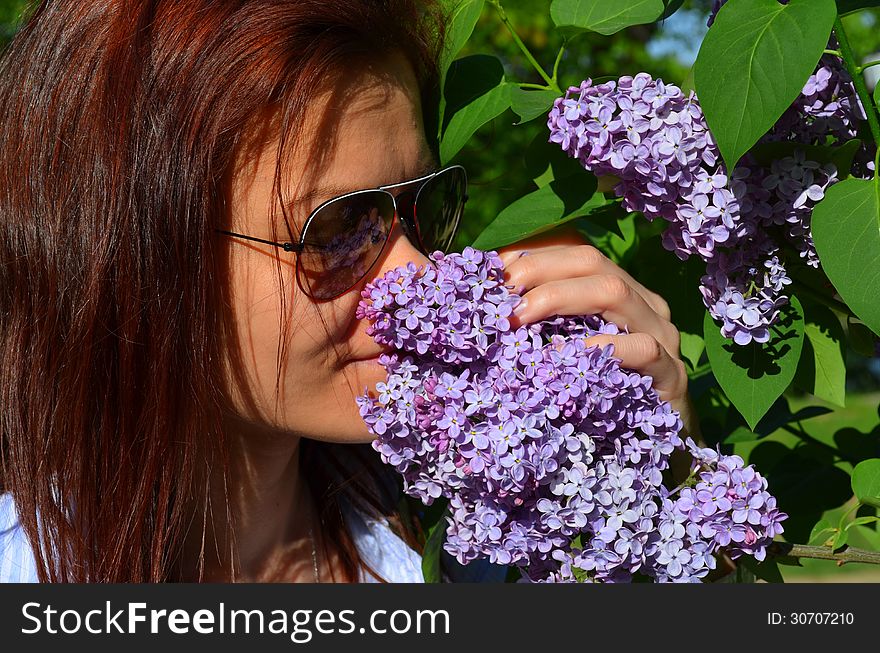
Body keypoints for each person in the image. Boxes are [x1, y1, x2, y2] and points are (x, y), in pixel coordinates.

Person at [0, 0, 698, 583]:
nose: (419, 275)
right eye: (336, 228)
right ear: (128, 252)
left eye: (425, 204)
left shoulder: (484, 548)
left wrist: (655, 483)